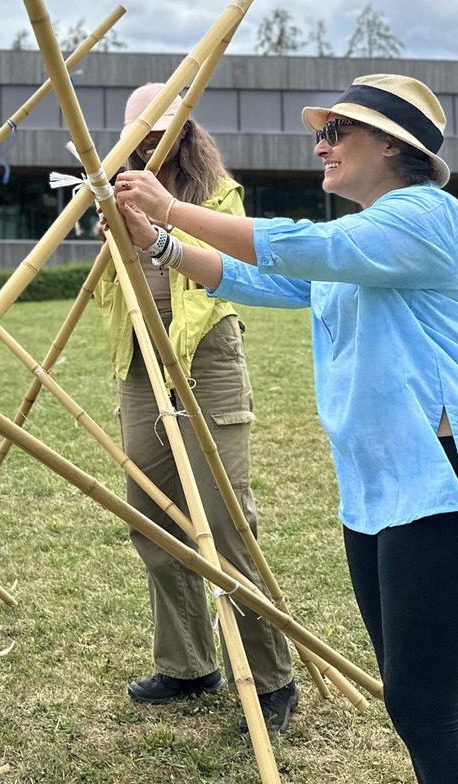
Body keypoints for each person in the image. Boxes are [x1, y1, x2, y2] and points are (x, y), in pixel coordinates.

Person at [113, 74, 458, 784]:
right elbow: (265, 278)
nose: (319, 146)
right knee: (412, 705)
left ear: (391, 145)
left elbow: (301, 248)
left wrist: (173, 208)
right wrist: (160, 243)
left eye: (336, 132)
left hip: (447, 484)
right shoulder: (362, 243)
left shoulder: (428, 217)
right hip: (380, 494)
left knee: (429, 713)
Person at [94, 84, 297, 729]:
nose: (146, 144)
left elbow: (227, 265)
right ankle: (187, 664)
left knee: (224, 516)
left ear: (181, 132)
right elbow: (109, 285)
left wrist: (160, 222)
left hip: (205, 354)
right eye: (136, 135)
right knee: (152, 510)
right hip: (140, 357)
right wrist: (111, 234)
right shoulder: (115, 188)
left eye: (158, 131)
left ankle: (270, 677)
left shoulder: (216, 192)